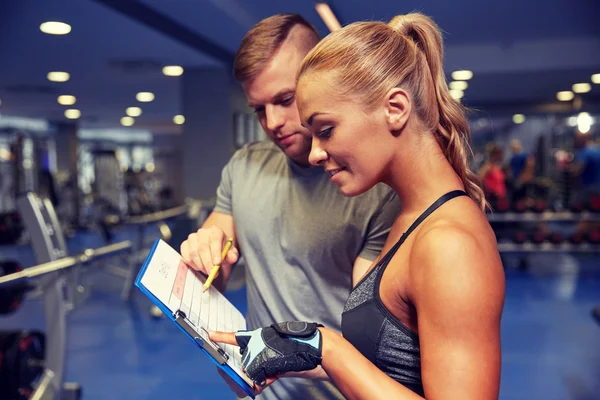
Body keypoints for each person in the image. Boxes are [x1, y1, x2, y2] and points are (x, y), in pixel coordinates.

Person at [211, 12, 505, 400]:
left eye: (326, 130)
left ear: (395, 109)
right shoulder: (411, 218)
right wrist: (294, 352)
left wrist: (327, 347)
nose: (315, 153)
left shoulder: (450, 244)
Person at [180, 13, 400, 400]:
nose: (273, 122)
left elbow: (375, 338)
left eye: (285, 100)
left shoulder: (373, 190)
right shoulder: (244, 167)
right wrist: (204, 248)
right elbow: (217, 249)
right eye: (258, 109)